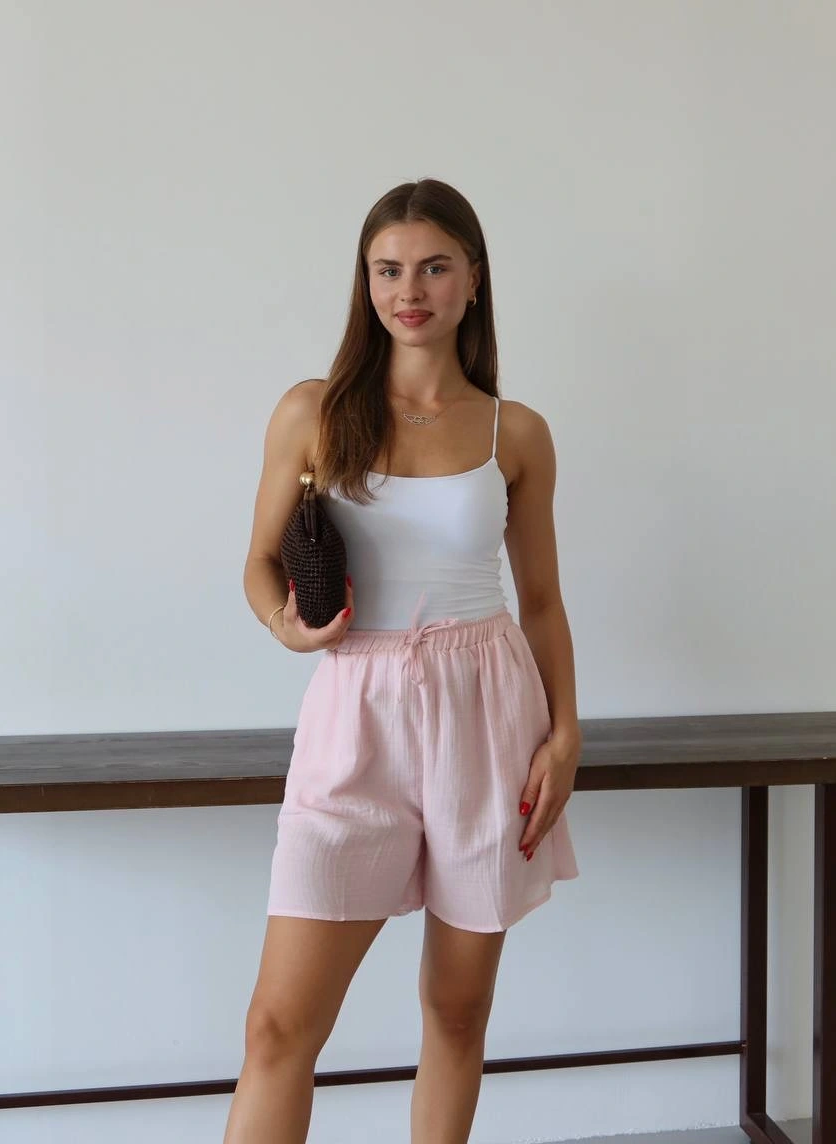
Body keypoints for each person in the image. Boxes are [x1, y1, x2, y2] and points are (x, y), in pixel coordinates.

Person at [222, 178, 582, 1144]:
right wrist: (285, 626)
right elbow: (258, 563)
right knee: (277, 1027)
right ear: (365, 282)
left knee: (456, 1015)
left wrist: (565, 735)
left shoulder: (515, 432)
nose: (408, 290)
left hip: (487, 714)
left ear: (474, 280)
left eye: (432, 267)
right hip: (356, 714)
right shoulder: (313, 410)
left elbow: (541, 602)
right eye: (387, 270)